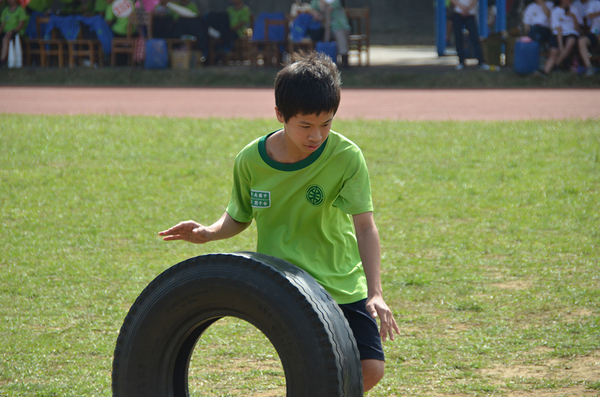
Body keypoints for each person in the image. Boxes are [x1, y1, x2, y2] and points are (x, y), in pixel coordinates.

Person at [159, 51, 400, 393]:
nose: (316, 136)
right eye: (305, 125)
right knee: (320, 369)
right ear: (280, 115)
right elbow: (239, 215)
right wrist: (209, 232)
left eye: (326, 123)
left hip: (339, 278)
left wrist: (376, 293)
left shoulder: (346, 156)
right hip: (284, 283)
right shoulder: (251, 161)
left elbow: (365, 226)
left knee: (370, 369)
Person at [538, 0, 583, 75]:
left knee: (570, 42)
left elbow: (577, 28)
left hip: (571, 33)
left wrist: (573, 17)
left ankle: (556, 64)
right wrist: (561, 45)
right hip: (558, 34)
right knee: (554, 52)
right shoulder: (555, 11)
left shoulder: (575, 10)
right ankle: (545, 72)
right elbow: (558, 29)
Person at [451, 0, 491, 70]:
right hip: (457, 12)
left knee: (474, 37)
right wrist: (462, 7)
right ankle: (461, 61)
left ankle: (481, 62)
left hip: (470, 13)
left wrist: (467, 8)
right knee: (458, 38)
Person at [310, 0, 350, 67]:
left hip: (338, 26)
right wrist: (314, 12)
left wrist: (322, 3)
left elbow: (327, 9)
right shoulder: (315, 1)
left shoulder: (335, 2)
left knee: (339, 34)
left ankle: (344, 58)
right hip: (323, 27)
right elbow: (312, 8)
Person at [0, 0, 27, 66]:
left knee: (5, 39)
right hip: (5, 31)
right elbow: (2, 24)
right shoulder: (5, 10)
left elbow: (20, 25)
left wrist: (12, 31)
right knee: (4, 37)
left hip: (16, 32)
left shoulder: (20, 10)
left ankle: (2, 60)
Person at [577, 0, 600, 76]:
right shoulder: (594, 3)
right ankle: (589, 67)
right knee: (581, 41)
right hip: (595, 32)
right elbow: (589, 15)